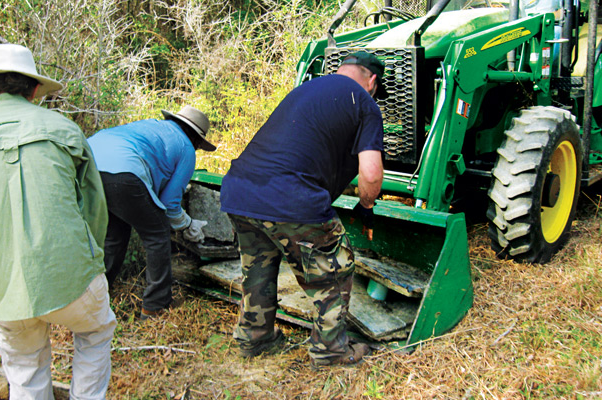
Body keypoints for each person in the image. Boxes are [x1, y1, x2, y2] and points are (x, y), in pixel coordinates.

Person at [0, 43, 116, 399]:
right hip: (70, 274)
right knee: (96, 331)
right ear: (36, 89)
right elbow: (94, 210)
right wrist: (93, 265)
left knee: (25, 365)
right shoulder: (65, 129)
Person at [220, 51, 386, 368]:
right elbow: (371, 173)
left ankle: (254, 338)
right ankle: (331, 353)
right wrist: (367, 205)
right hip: (290, 197)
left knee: (258, 266)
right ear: (372, 81)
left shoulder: (305, 90)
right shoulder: (365, 102)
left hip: (240, 190)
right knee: (335, 270)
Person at [87, 106, 216, 320]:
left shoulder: (151, 127)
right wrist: (187, 225)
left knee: (115, 235)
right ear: (196, 139)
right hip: (124, 170)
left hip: (89, 164)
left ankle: (97, 295)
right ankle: (156, 306)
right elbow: (170, 204)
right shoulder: (186, 148)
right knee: (157, 235)